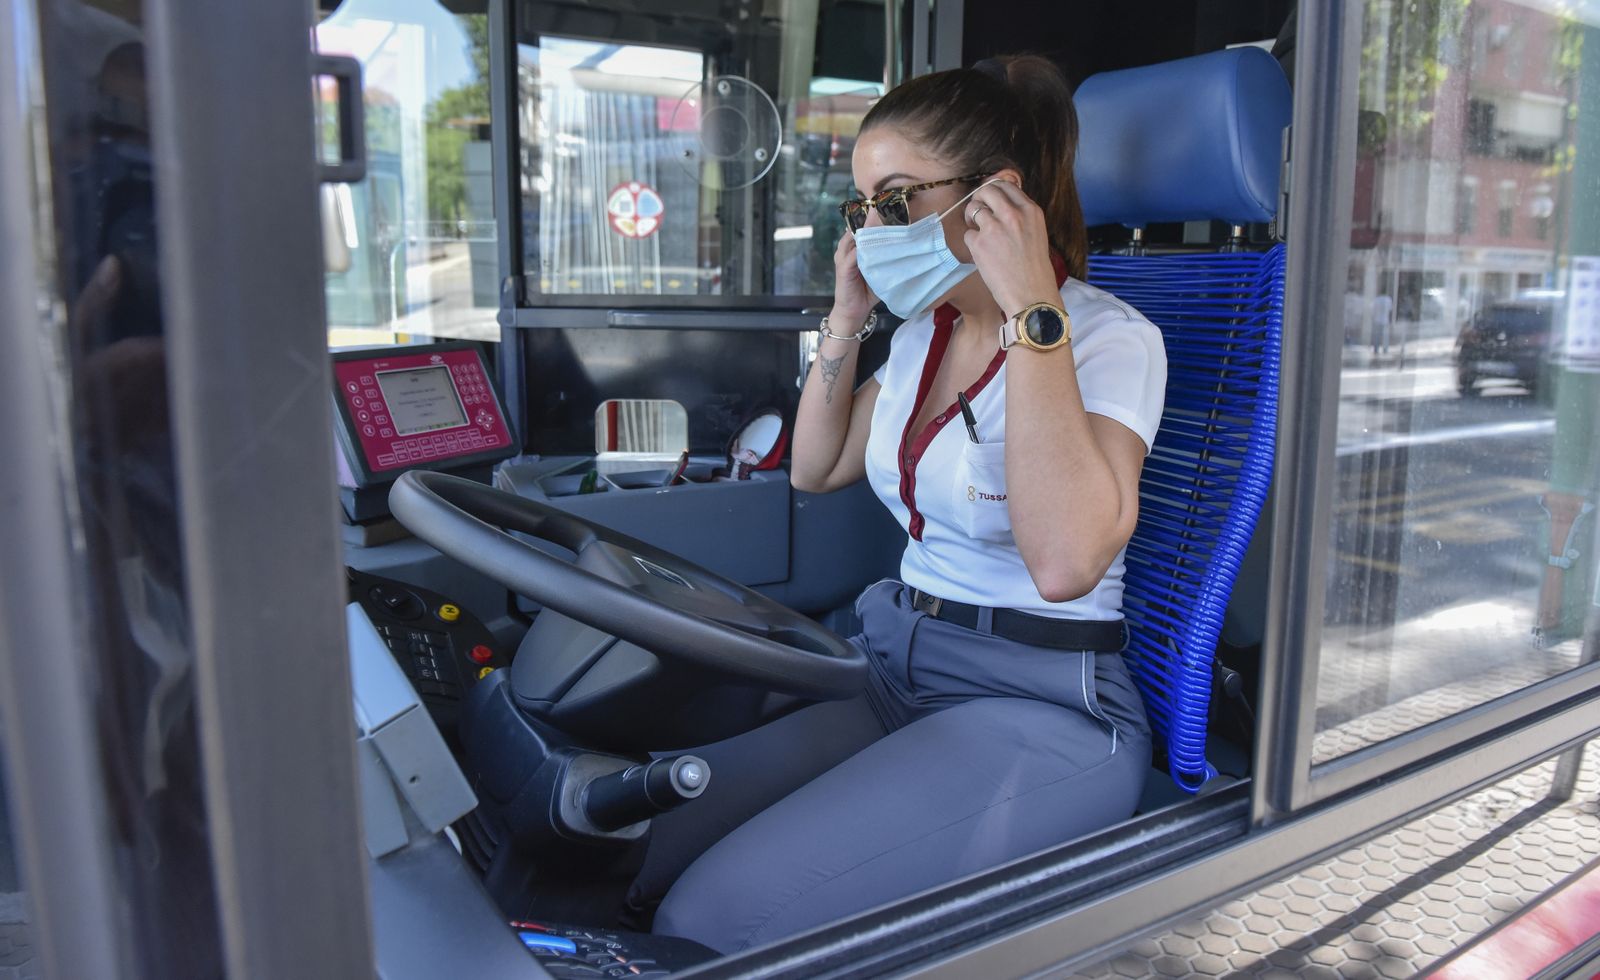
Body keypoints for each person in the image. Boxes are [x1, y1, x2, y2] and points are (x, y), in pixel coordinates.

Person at [632, 55, 1167, 954]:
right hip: (895, 667)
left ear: (992, 199)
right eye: (863, 207)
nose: (874, 228)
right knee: (635, 845)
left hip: (1040, 704)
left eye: (896, 200)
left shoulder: (1111, 339)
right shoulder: (926, 334)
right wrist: (848, 317)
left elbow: (1068, 562)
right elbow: (815, 467)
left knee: (714, 921)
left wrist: (1033, 306)